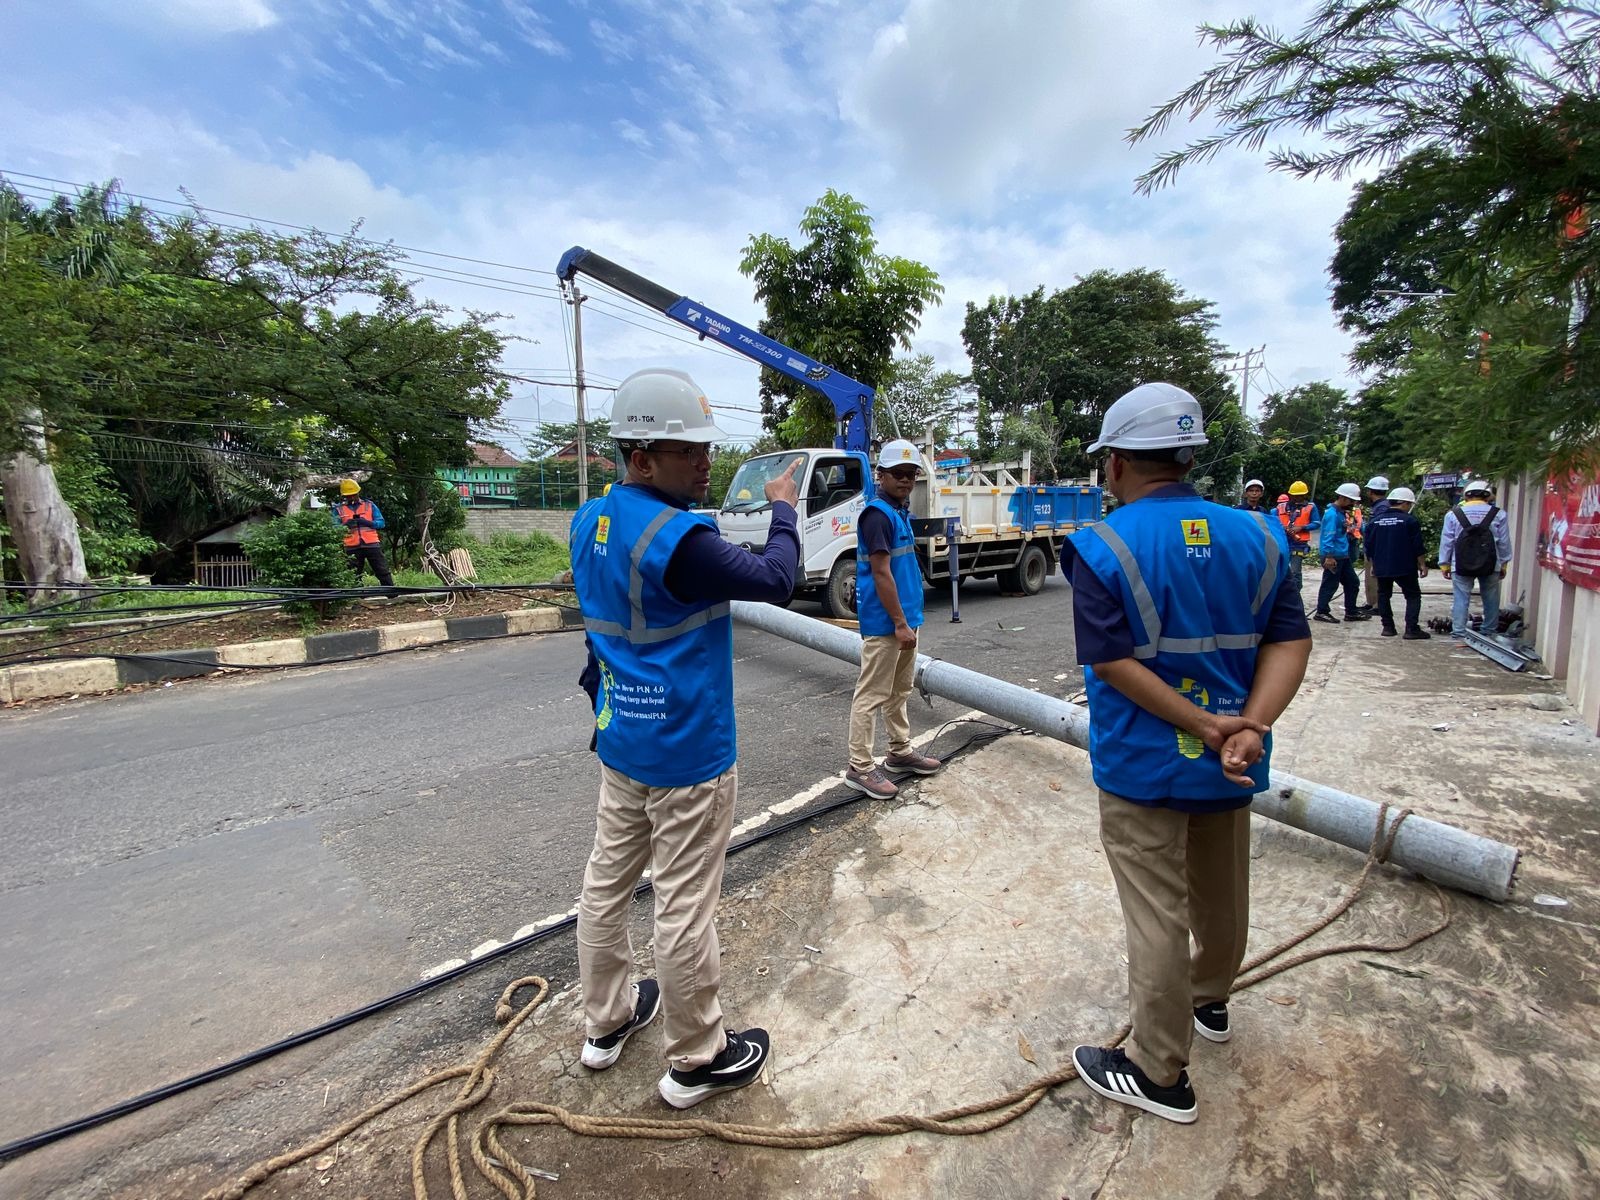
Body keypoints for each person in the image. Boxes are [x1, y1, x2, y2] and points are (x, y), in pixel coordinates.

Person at [1062, 383, 1312, 1124]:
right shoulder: (1259, 535)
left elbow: (1112, 662)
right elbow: (1291, 641)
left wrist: (1205, 726)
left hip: (1144, 763)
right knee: (1221, 887)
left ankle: (1159, 1071)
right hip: (1232, 761)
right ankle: (1211, 1000)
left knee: (1157, 914)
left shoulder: (1103, 545)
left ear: (1115, 463)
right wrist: (1250, 726)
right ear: (1189, 457)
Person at [569, 367, 802, 1110]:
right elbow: (778, 578)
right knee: (683, 906)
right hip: (688, 755)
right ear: (641, 458)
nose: (706, 464)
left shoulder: (589, 520)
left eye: (706, 449)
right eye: (688, 452)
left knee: (606, 884)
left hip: (622, 739)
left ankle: (606, 1021)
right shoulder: (680, 538)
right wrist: (784, 509)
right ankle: (698, 1058)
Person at [843, 440, 943, 799]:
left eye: (911, 474)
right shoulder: (877, 516)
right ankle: (860, 767)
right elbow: (881, 573)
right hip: (887, 623)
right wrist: (899, 623)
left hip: (905, 620)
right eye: (898, 474)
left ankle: (900, 752)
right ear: (880, 475)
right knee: (872, 694)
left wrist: (908, 621)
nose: (905, 480)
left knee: (900, 690)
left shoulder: (898, 512)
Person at [1439, 480, 1512, 642]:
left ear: (1466, 496)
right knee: (1491, 598)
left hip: (1460, 563)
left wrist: (1444, 564)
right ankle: (1489, 632)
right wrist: (1504, 564)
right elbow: (1504, 542)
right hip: (1491, 563)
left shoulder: (1453, 515)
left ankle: (1459, 632)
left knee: (1461, 598)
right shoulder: (1498, 514)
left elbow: (1447, 541)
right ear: (1488, 496)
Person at [1364, 486, 1430, 639]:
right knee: (1413, 596)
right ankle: (1411, 629)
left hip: (1382, 565)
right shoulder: (1410, 521)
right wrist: (1422, 564)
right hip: (1405, 566)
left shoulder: (1375, 521)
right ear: (1405, 503)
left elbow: (1369, 546)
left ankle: (1388, 627)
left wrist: (1373, 564)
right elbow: (1417, 546)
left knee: (1383, 595)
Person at [1313, 483, 1371, 624]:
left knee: (1352, 582)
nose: (1353, 504)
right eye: (1352, 501)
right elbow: (1328, 536)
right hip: (1333, 556)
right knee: (1330, 584)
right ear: (1343, 498)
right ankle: (1322, 612)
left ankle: (1351, 612)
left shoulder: (1341, 513)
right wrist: (1329, 556)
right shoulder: (1332, 514)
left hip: (1342, 555)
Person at [332, 479, 395, 588]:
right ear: (344, 496)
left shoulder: (369, 505)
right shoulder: (338, 509)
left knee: (382, 570)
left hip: (371, 544)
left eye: (353, 495)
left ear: (358, 493)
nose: (352, 498)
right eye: (349, 496)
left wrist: (369, 523)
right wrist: (345, 525)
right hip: (351, 546)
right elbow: (334, 528)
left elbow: (381, 523)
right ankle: (357, 595)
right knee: (353, 574)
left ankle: (391, 592)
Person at [1276, 481, 1318, 600]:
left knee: (1295, 572)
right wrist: (1281, 528)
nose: (1297, 498)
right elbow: (1272, 520)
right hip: (1282, 542)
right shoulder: (1280, 507)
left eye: (1300, 496)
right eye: (1295, 496)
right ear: (1290, 495)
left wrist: (1302, 527)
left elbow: (1316, 523)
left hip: (1299, 543)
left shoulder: (1310, 507)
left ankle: (1294, 596)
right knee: (1280, 570)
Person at [1358, 475, 1391, 610]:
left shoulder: (1381, 507)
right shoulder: (1381, 506)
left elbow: (1378, 528)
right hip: (1374, 547)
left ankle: (1377, 605)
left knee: (1374, 576)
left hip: (1376, 548)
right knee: (1370, 577)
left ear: (1370, 491)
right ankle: (1371, 603)